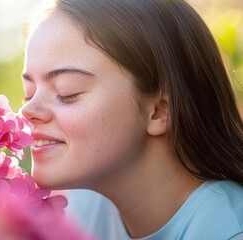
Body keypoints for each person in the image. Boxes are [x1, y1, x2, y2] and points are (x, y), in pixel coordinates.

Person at [19, 0, 243, 239]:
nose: (28, 110)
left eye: (67, 92)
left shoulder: (226, 230)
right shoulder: (87, 209)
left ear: (159, 110)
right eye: (29, 93)